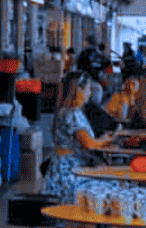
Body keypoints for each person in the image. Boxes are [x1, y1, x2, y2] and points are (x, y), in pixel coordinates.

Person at [44, 75, 114, 203]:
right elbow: (88, 144)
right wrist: (107, 140)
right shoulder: (73, 114)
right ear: (78, 90)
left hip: (59, 167)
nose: (90, 93)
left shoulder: (63, 111)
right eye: (88, 89)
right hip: (69, 171)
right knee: (111, 187)